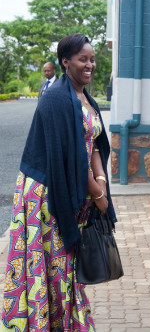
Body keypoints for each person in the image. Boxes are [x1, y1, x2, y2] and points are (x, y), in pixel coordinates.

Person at [0, 33, 115, 331]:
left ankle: (64, 322)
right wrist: (97, 194)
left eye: (92, 59)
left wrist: (99, 184)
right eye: (82, 59)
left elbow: (94, 144)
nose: (89, 64)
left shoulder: (85, 98)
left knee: (63, 263)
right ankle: (42, 322)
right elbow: (70, 157)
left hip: (73, 187)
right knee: (51, 261)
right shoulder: (54, 99)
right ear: (66, 62)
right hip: (46, 195)